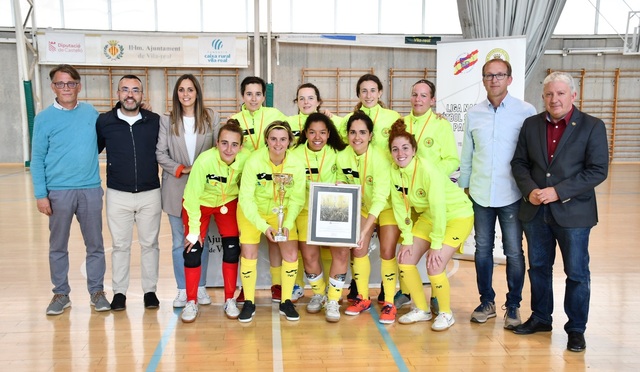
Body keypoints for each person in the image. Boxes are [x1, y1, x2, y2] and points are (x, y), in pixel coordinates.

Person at [511, 71, 609, 352]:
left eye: (561, 93)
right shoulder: (530, 125)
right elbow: (519, 163)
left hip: (574, 215)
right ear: (543, 97)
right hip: (536, 211)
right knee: (539, 269)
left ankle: (576, 329)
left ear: (573, 95)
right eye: (550, 94)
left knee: (577, 273)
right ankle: (541, 318)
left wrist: (559, 191)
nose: (555, 99)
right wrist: (530, 189)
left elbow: (598, 170)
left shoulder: (592, 126)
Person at [459, 59, 537, 329]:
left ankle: (513, 305)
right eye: (489, 75)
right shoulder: (474, 114)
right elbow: (467, 154)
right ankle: (486, 302)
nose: (494, 80)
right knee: (482, 251)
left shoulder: (526, 112)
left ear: (510, 79)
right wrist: (466, 185)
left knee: (514, 252)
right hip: (480, 193)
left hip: (513, 194)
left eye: (500, 75)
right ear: (483, 80)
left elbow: (533, 155)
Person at [31, 64, 110, 315]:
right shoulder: (43, 118)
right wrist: (41, 194)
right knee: (58, 246)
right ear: (53, 87)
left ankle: (97, 292)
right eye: (60, 83)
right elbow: (37, 158)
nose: (66, 88)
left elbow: (102, 140)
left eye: (71, 83)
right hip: (58, 193)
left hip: (90, 190)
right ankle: (60, 293)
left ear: (79, 85)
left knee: (95, 245)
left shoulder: (90, 113)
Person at [388, 119, 474, 331]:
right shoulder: (394, 171)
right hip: (430, 217)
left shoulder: (428, 170)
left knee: (434, 265)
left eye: (405, 148)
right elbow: (401, 208)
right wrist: (407, 239)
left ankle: (446, 313)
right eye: (395, 149)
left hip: (457, 215)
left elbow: (438, 207)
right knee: (405, 259)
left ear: (414, 150)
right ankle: (421, 309)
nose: (400, 153)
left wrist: (436, 244)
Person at [96, 75, 162, 311]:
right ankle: (120, 293)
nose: (130, 94)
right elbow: (92, 149)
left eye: (135, 90)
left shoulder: (154, 121)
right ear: (118, 94)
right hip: (117, 194)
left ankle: (150, 292)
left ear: (142, 95)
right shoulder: (105, 122)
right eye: (125, 89)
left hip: (150, 192)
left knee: (150, 244)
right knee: (121, 246)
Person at [394, 78, 460, 312]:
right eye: (414, 94)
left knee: (436, 247)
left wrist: (430, 176)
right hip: (407, 193)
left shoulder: (441, 125)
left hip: (431, 195)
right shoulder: (400, 123)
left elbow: (453, 159)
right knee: (406, 243)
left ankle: (435, 296)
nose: (418, 99)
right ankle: (406, 291)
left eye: (423, 95)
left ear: (432, 100)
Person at [156, 74, 220, 310]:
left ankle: (200, 287)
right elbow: (160, 153)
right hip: (176, 187)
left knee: (198, 239)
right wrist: (183, 169)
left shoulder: (211, 117)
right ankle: (183, 290)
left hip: (205, 190)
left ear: (197, 93)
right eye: (181, 90)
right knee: (178, 242)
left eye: (190, 90)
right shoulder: (167, 120)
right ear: (176, 94)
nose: (185, 94)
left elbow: (218, 149)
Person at [341, 74, 401, 306]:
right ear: (358, 94)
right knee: (358, 248)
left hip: (387, 193)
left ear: (380, 92)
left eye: (372, 90)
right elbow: (328, 128)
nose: (368, 95)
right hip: (363, 195)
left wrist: (436, 118)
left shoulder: (393, 117)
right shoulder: (350, 119)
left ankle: (388, 297)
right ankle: (359, 291)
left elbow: (410, 134)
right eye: (363, 91)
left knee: (387, 250)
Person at [236, 121, 306, 323]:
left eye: (283, 139)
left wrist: (288, 222)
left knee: (291, 254)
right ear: (266, 140)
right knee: (248, 253)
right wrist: (263, 226)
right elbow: (246, 199)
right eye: (273, 139)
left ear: (289, 142)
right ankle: (249, 301)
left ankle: (286, 301)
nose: (278, 143)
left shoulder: (296, 164)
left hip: (281, 213)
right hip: (253, 213)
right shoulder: (254, 161)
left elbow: (297, 199)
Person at [180, 120, 246, 322]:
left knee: (233, 249)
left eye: (234, 144)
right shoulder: (204, 161)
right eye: (224, 143)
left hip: (228, 203)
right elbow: (191, 197)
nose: (229, 149)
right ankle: (191, 301)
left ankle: (229, 299)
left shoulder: (246, 158)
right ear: (216, 143)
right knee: (192, 250)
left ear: (241, 147)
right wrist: (193, 231)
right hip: (199, 204)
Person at [231, 76, 287, 303]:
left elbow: (292, 137)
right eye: (248, 94)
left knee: (275, 241)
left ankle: (276, 284)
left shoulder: (276, 116)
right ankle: (247, 287)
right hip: (246, 188)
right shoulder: (234, 121)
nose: (253, 99)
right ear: (242, 96)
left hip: (274, 191)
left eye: (258, 94)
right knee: (248, 243)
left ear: (264, 96)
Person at [287, 83, 343, 301]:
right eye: (312, 132)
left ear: (329, 133)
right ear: (305, 133)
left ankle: (334, 299)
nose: (317, 137)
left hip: (331, 207)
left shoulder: (338, 152)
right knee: (309, 255)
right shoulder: (294, 154)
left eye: (322, 132)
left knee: (339, 253)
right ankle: (319, 295)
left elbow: (349, 124)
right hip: (303, 210)